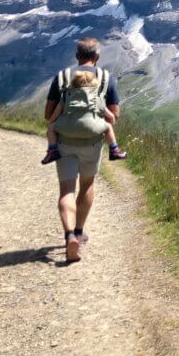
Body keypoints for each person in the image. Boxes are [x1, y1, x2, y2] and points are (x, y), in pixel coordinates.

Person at [43, 37, 124, 262]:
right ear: (96, 57)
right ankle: (79, 231)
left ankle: (69, 235)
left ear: (77, 56)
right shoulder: (105, 78)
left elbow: (48, 115)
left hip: (65, 141)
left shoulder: (61, 78)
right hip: (92, 141)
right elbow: (114, 115)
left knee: (66, 190)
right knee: (87, 185)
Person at [44, 69, 121, 155]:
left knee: (51, 127)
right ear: (95, 84)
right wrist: (106, 124)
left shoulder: (66, 96)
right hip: (92, 130)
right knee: (108, 127)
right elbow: (111, 117)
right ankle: (114, 149)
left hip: (67, 129)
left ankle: (52, 150)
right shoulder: (97, 98)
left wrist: (51, 125)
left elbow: (53, 117)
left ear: (73, 83)